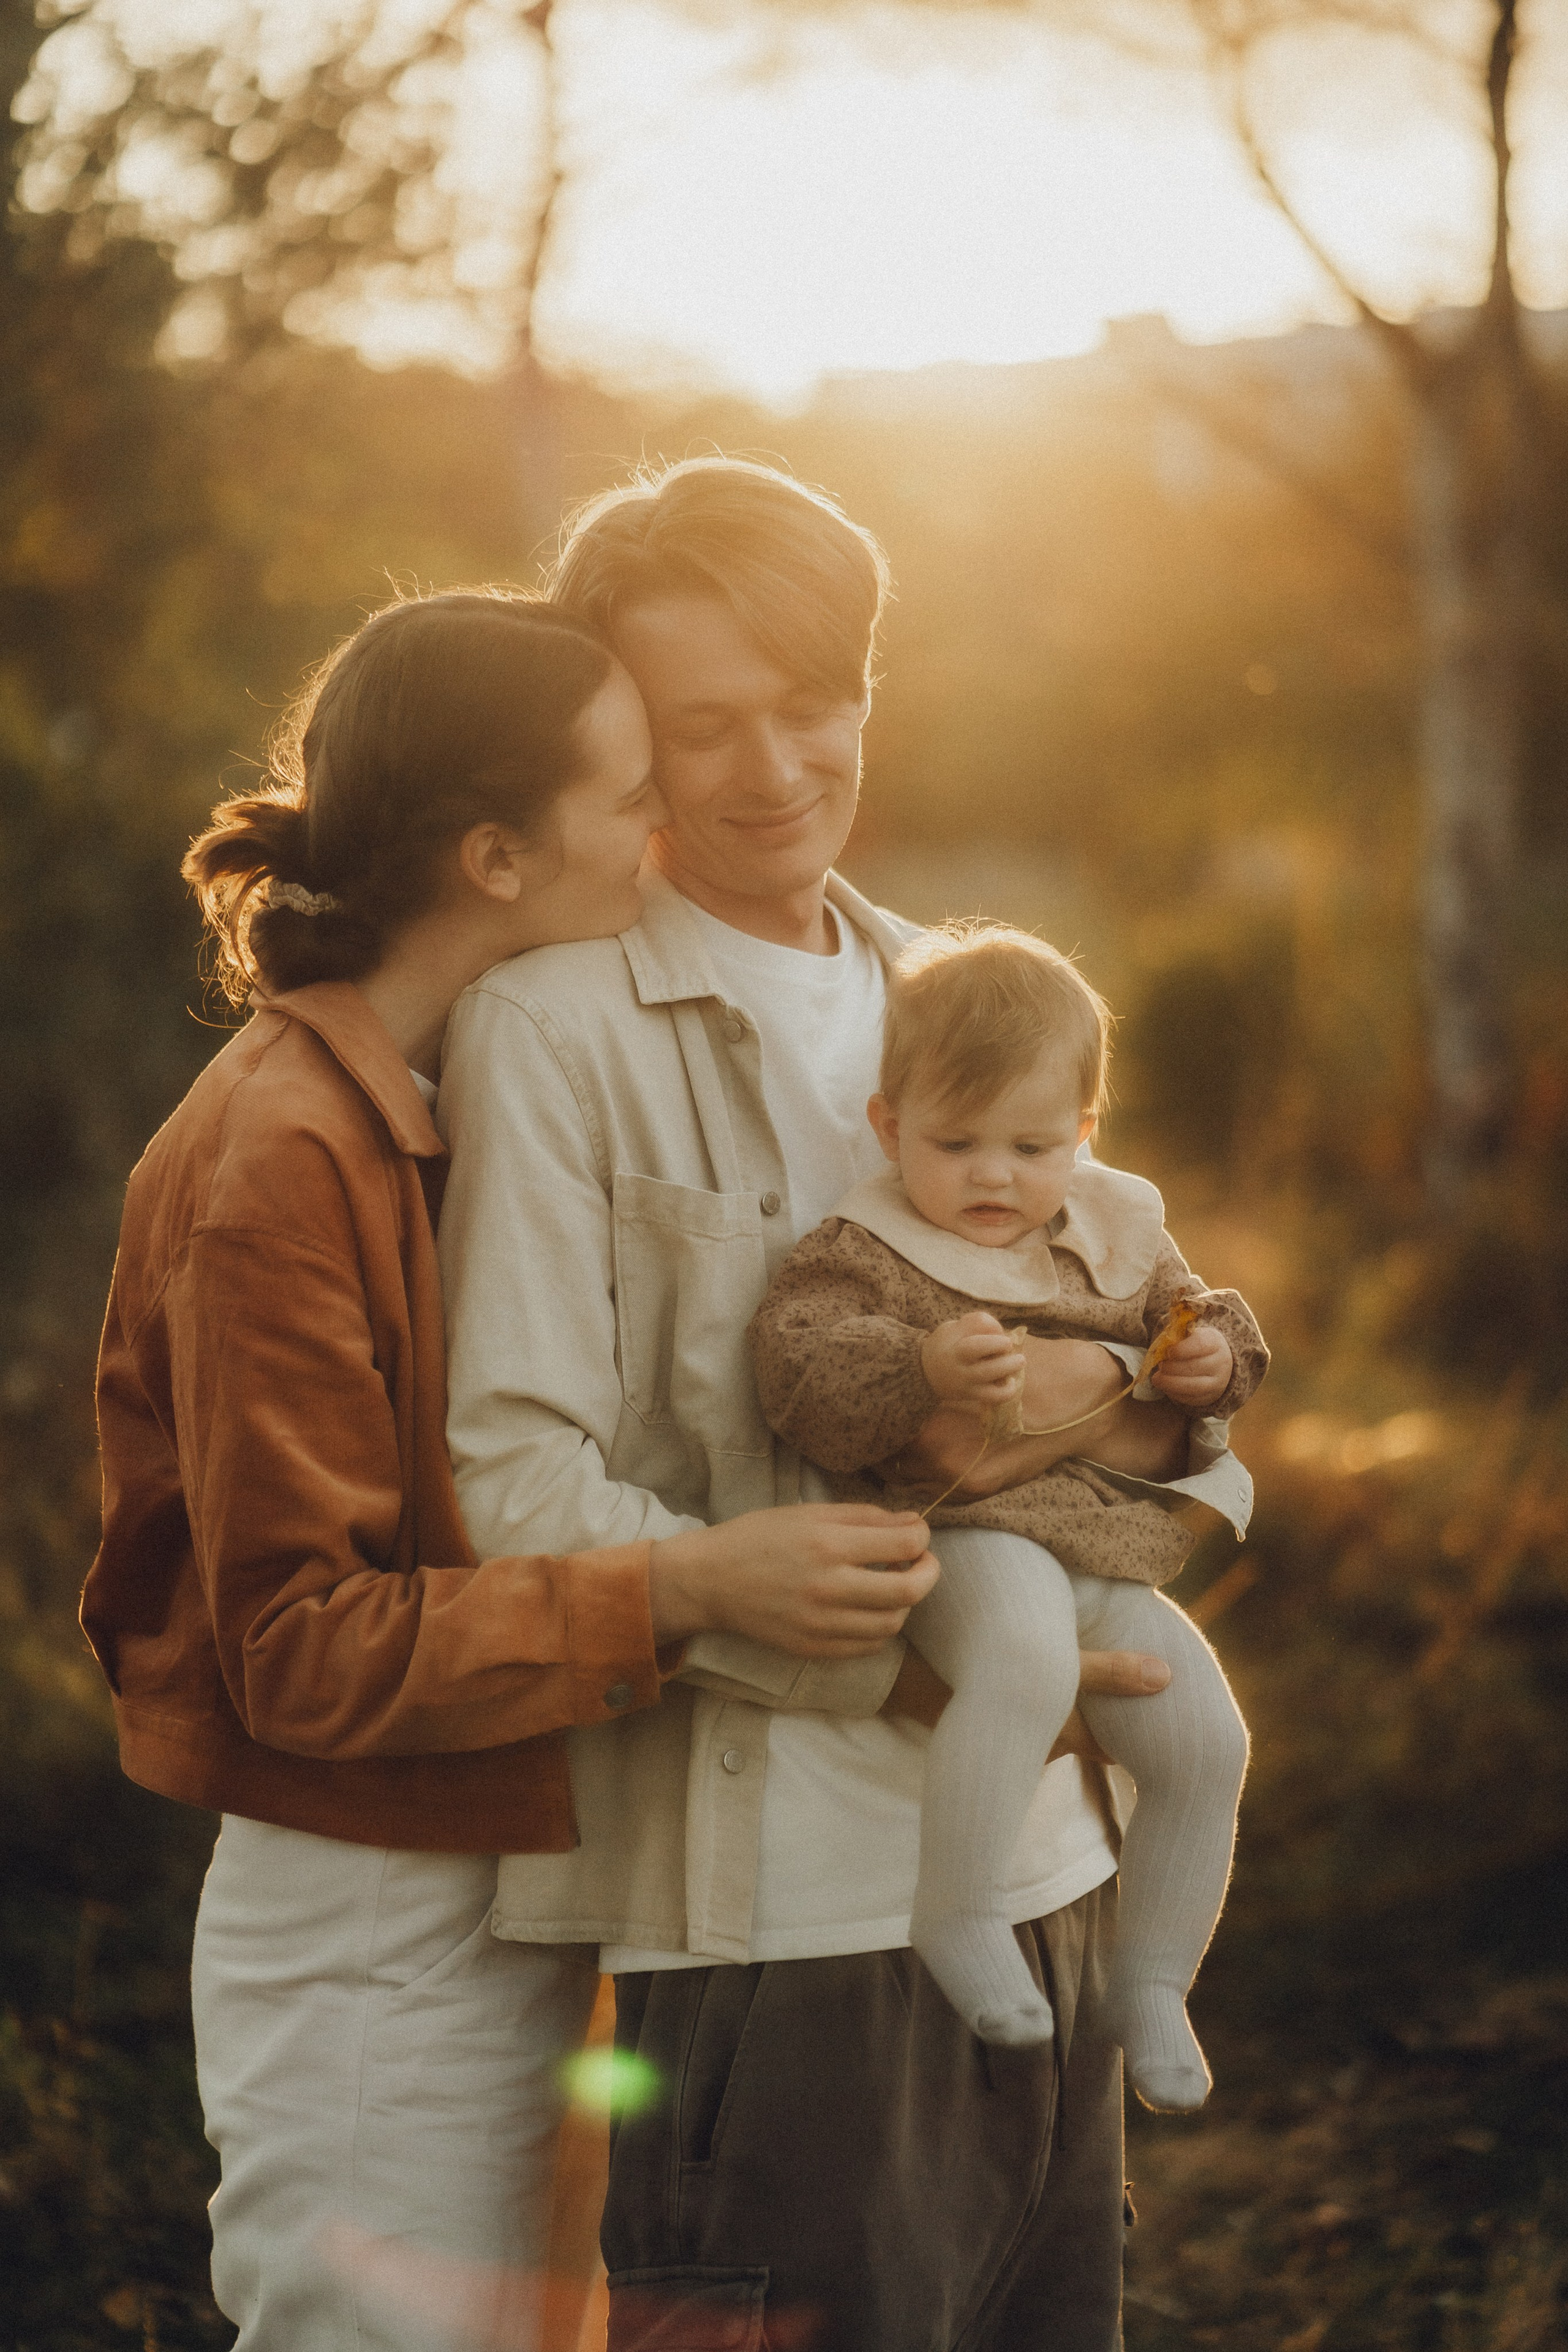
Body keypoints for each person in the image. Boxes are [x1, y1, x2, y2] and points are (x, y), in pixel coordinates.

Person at [436, 461, 1249, 2350]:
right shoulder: (551, 1029)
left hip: (1058, 1870)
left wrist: (1160, 1402)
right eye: (701, 723)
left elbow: (1145, 1329)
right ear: (622, 732)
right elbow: (514, 1478)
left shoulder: (957, 992)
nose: (772, 768)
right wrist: (864, 1647)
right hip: (781, 1925)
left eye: (810, 705)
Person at [81, 587, 938, 2352]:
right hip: (371, 1915)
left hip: (519, 1853)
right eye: (631, 789)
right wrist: (678, 1587)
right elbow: (298, 1647)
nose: (665, 819)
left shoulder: (430, 1082)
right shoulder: (279, 1155)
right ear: (494, 857)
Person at [747, 920, 1265, 2105]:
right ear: (889, 1128)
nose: (994, 1177)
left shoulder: (1112, 1235)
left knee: (1206, 1742)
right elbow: (797, 1366)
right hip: (962, 1536)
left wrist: (1212, 1363)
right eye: (956, 1143)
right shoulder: (866, 1247)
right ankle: (961, 1913)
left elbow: (1208, 1321)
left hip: (1100, 1546)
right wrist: (922, 1363)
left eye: (1031, 1147)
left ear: (1083, 1133)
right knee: (1024, 1660)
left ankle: (1154, 1983)